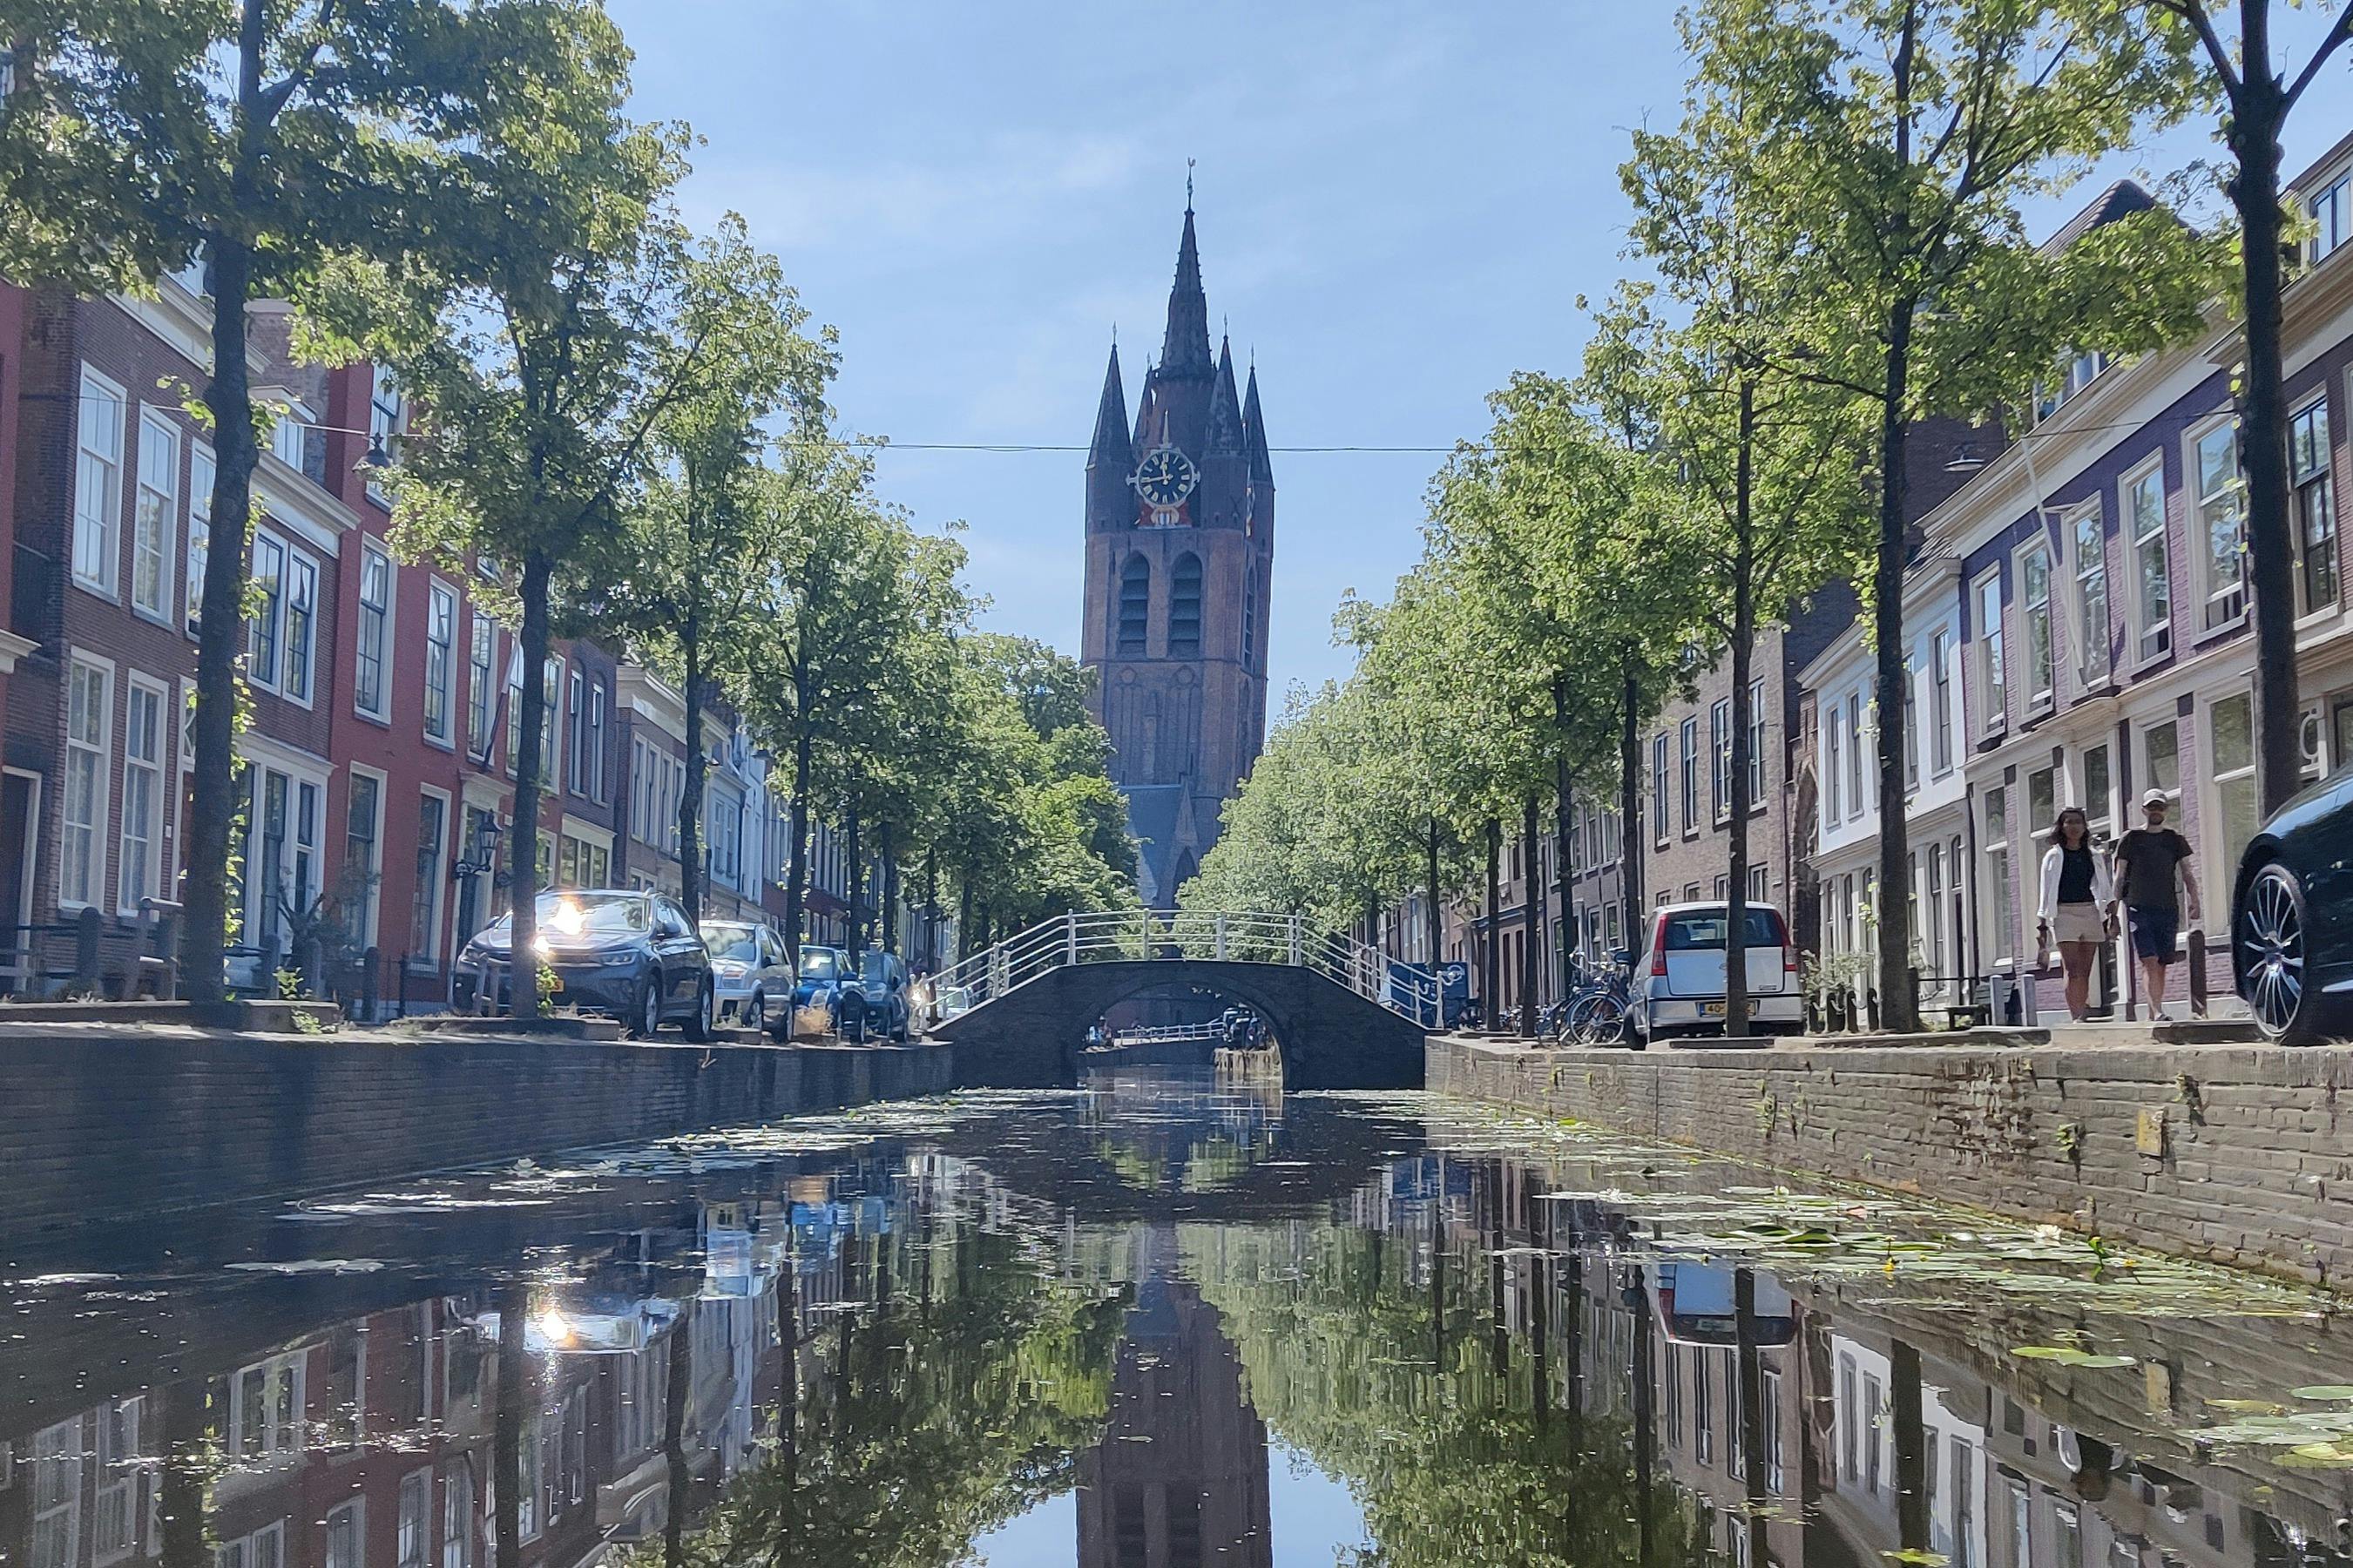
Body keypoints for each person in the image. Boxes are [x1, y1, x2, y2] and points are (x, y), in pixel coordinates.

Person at [2110, 788, 2201, 1022]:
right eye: (2151, 807)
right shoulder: (2130, 839)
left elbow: (2187, 872)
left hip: (2167, 908)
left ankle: (2153, 1011)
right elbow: (2119, 876)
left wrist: (2195, 900)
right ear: (2143, 810)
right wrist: (2113, 912)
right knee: (2148, 960)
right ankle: (2159, 1011)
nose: (2156, 811)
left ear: (2166, 811)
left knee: (2161, 963)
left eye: (2160, 807)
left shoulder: (2175, 840)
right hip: (2138, 907)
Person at [2036, 806, 2114, 1023]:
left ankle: (2082, 1011)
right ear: (2061, 827)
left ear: (2084, 826)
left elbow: (2104, 886)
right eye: (2068, 822)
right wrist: (2042, 926)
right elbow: (2046, 889)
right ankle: (2076, 1015)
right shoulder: (2053, 856)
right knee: (2072, 968)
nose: (2073, 827)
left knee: (2086, 968)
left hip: (2089, 910)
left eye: (2078, 822)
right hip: (2063, 912)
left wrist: (2111, 913)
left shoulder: (2093, 855)